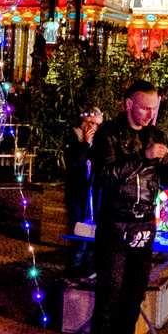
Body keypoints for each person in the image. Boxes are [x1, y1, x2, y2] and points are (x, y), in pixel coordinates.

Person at [81, 80, 168, 334]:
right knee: (107, 307)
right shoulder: (109, 133)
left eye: (154, 108)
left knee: (131, 305)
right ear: (128, 104)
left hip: (144, 227)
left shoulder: (157, 134)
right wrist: (142, 157)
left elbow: (166, 181)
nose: (150, 115)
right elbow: (105, 178)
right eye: (144, 108)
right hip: (115, 225)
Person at [63, 109, 103, 277]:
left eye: (99, 125)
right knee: (80, 236)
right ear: (84, 123)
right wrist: (86, 144)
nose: (96, 128)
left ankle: (88, 270)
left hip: (94, 195)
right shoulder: (73, 138)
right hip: (78, 195)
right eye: (93, 123)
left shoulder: (99, 141)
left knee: (93, 235)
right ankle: (73, 272)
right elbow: (74, 163)